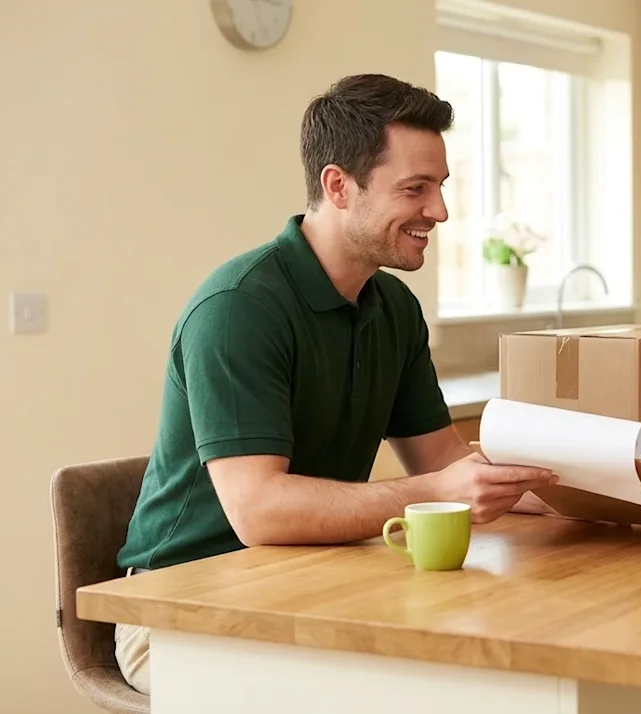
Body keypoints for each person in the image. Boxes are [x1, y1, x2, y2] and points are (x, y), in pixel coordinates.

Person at [113, 73, 558, 694]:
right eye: (415, 188)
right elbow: (259, 512)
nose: (439, 210)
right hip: (179, 610)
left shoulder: (393, 310)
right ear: (338, 186)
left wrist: (602, 490)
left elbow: (447, 462)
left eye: (440, 187)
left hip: (315, 583)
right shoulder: (239, 308)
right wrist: (434, 488)